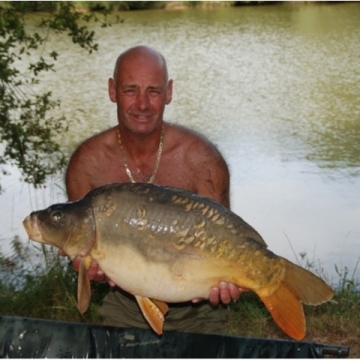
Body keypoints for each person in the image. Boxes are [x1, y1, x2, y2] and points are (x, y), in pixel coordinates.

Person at [65, 45, 241, 334]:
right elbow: (81, 250)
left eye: (154, 91)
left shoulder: (202, 161)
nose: (142, 104)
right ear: (112, 91)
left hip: (200, 308)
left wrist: (228, 282)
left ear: (169, 92)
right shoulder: (87, 165)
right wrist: (85, 266)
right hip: (126, 303)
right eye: (131, 90)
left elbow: (225, 243)